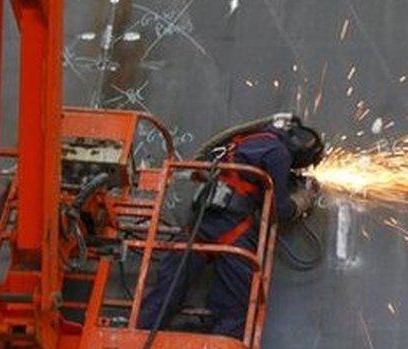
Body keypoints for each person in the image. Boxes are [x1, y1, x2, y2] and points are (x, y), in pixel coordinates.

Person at [137, 112, 323, 338]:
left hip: (201, 222)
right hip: (231, 228)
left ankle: (136, 336)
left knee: (166, 290)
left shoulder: (248, 139)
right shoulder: (279, 154)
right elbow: (280, 210)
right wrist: (304, 198)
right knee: (235, 304)